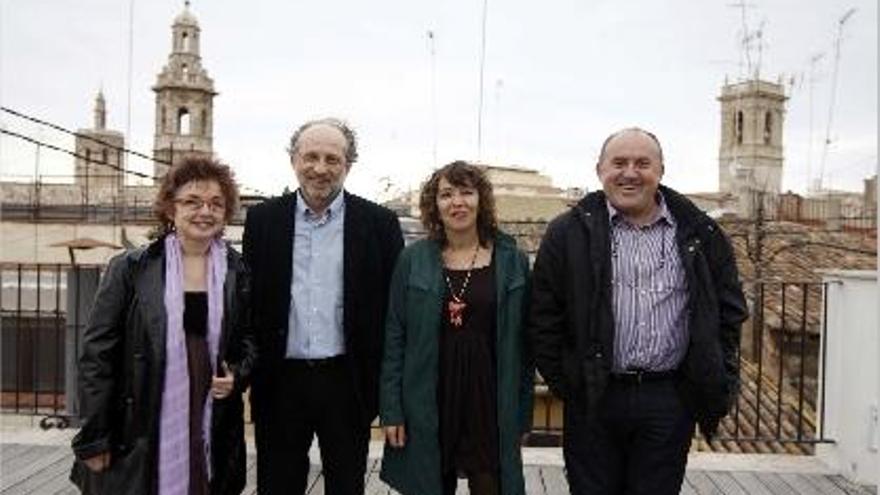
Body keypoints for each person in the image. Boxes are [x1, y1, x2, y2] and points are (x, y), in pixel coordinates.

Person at [529, 128, 748, 495]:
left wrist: (717, 374)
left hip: (669, 399)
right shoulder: (567, 233)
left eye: (642, 163)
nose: (630, 173)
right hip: (594, 397)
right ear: (600, 170)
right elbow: (543, 316)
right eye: (619, 163)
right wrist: (568, 381)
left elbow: (729, 313)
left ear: (660, 170)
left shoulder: (701, 233)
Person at [70, 157, 257, 495]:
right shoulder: (131, 268)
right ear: (170, 209)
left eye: (216, 203)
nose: (205, 211)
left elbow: (247, 339)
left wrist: (237, 375)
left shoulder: (236, 270)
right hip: (142, 414)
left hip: (210, 415)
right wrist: (95, 436)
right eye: (192, 202)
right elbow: (97, 354)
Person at [243, 118, 404, 495]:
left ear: (348, 165)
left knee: (347, 486)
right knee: (277, 486)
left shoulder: (379, 224)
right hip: (279, 381)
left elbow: (394, 314)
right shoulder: (263, 220)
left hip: (347, 382)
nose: (320, 168)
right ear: (293, 161)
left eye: (332, 158)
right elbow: (248, 303)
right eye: (310, 156)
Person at [379, 161, 533, 495]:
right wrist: (391, 409)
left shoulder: (511, 260)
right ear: (435, 204)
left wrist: (522, 413)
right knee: (429, 483)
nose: (457, 202)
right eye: (447, 194)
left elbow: (524, 344)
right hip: (428, 396)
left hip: (489, 397)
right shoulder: (413, 259)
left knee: (491, 486)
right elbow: (394, 337)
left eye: (466, 192)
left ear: (482, 200)